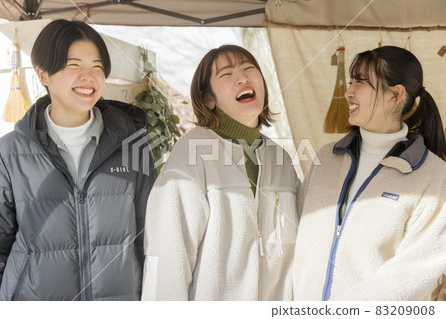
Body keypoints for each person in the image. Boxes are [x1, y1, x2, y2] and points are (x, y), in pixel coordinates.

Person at [0, 19, 157, 300]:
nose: (89, 77)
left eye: (97, 67)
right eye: (74, 65)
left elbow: (152, 238)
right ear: (43, 74)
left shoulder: (134, 146)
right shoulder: (9, 153)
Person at [142, 45, 300, 300]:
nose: (243, 77)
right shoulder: (192, 154)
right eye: (226, 74)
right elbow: (168, 259)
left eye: (249, 68)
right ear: (208, 99)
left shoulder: (280, 158)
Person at [293, 45, 446, 301]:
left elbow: (411, 275)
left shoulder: (433, 175)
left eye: (360, 82)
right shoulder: (326, 158)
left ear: (395, 95)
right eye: (351, 81)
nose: (348, 92)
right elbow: (298, 248)